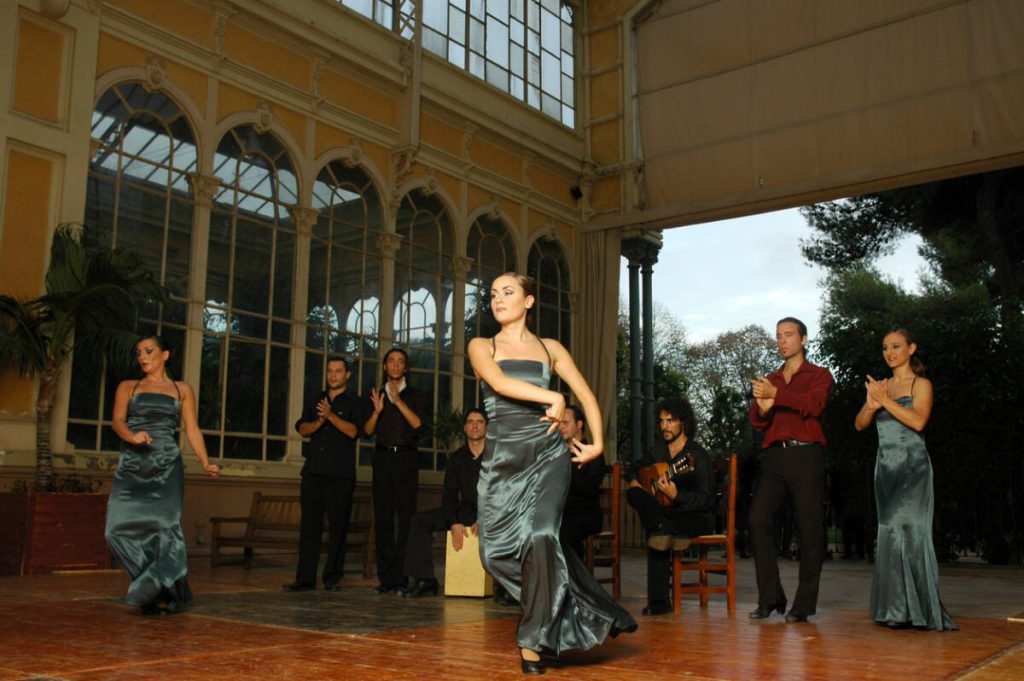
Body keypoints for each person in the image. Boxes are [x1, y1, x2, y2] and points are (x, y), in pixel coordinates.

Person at [468, 272, 636, 676]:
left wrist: (596, 442)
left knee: (542, 536)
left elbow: (587, 394)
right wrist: (551, 395)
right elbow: (498, 381)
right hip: (502, 462)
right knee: (493, 554)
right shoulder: (481, 345)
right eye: (493, 294)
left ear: (528, 301)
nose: (498, 299)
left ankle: (531, 641)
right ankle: (563, 606)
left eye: (508, 292)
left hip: (548, 458)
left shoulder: (550, 348)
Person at [106, 335, 219, 614]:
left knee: (166, 529)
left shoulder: (182, 390)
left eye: (149, 351)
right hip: (133, 465)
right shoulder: (127, 387)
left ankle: (158, 588)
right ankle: (155, 583)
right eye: (139, 353)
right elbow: (117, 421)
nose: (143, 357)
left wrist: (206, 462)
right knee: (115, 530)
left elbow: (192, 429)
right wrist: (132, 436)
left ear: (165, 355)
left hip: (167, 465)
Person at [854, 329, 957, 631]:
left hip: (913, 467)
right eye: (885, 347)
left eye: (896, 346)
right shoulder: (881, 385)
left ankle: (918, 610)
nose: (890, 352)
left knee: (910, 533)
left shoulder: (921, 384)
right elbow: (860, 424)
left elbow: (918, 421)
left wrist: (885, 401)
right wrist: (872, 405)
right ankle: (894, 609)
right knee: (888, 531)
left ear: (911, 348)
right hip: (885, 468)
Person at [747, 317, 834, 624]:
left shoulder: (819, 375)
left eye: (788, 335)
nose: (782, 340)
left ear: (804, 340)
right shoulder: (771, 378)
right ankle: (770, 597)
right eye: (778, 336)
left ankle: (803, 605)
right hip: (774, 457)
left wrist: (776, 396)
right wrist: (763, 406)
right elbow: (757, 420)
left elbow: (814, 405)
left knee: (810, 528)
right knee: (758, 519)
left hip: (806, 454)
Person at [625, 397, 715, 616]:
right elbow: (633, 468)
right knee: (634, 494)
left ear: (683, 422)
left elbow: (707, 499)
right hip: (666, 515)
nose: (664, 426)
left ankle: (658, 603)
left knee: (659, 532)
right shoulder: (657, 453)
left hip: (695, 516)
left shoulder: (697, 455)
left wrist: (677, 495)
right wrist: (634, 480)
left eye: (670, 421)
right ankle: (661, 526)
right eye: (662, 421)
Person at [283, 356, 364, 592]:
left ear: (347, 375)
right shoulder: (316, 398)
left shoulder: (355, 402)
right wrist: (319, 422)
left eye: (338, 371)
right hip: (313, 472)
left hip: (341, 475)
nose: (333, 375)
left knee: (338, 528)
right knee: (309, 527)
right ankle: (305, 579)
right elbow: (302, 428)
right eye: (330, 371)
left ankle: (332, 578)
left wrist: (330, 416)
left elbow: (353, 432)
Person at [363, 346, 430, 594]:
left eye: (400, 362)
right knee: (383, 520)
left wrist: (398, 401)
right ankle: (386, 578)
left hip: (406, 459)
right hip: (382, 458)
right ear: (384, 366)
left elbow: (417, 425)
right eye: (391, 361)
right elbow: (368, 431)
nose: (395, 365)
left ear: (405, 368)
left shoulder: (416, 395)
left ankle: (402, 577)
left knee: (406, 519)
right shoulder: (375, 395)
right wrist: (377, 412)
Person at [402, 408, 487, 598]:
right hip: (462, 511)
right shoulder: (457, 458)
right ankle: (426, 580)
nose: (475, 425)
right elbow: (449, 494)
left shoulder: (497, 458)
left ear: (486, 428)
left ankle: (506, 587)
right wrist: (454, 522)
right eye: (470, 421)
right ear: (465, 428)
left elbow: (503, 495)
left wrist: (486, 519)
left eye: (479, 421)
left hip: (489, 513)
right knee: (419, 521)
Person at [557, 403, 606, 559]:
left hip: (585, 513)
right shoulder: (558, 452)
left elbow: (589, 489)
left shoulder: (593, 452)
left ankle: (575, 581)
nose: (560, 427)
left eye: (565, 422)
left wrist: (568, 464)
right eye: (558, 423)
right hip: (560, 512)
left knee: (562, 532)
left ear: (579, 424)